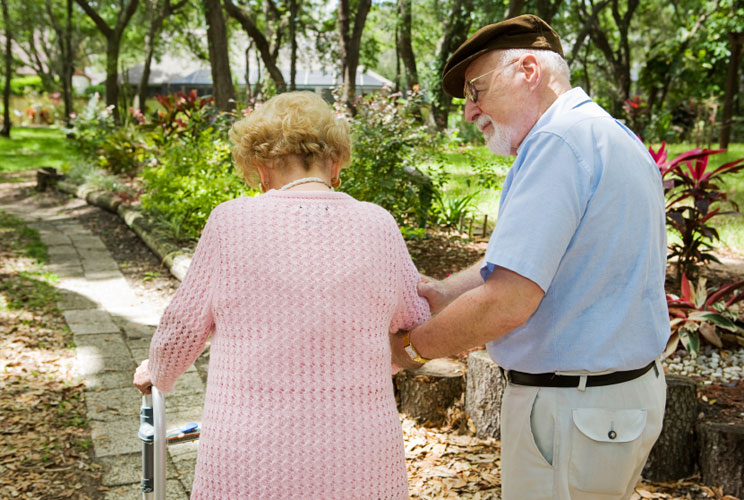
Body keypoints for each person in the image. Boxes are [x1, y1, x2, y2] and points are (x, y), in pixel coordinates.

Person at [391, 14, 669, 500]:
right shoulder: (606, 133)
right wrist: (443, 293)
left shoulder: (556, 142)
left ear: (527, 70)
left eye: (476, 90)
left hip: (572, 409)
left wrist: (414, 349)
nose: (469, 111)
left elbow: (509, 302)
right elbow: (535, 260)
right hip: (612, 404)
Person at [133, 91, 430, 499]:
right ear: (337, 162)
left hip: (250, 459)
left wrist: (157, 370)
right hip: (360, 457)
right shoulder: (379, 226)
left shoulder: (230, 223)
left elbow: (182, 328)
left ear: (260, 167)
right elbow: (416, 324)